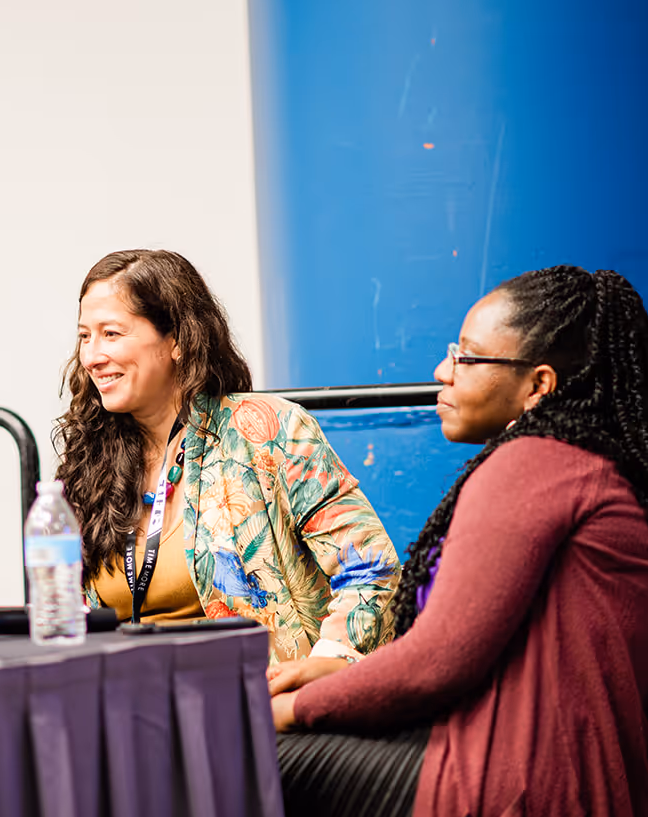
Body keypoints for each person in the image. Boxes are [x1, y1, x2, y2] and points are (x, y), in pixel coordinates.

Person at [267, 266, 648, 817]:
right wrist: (342, 675)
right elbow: (468, 648)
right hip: (552, 797)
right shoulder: (571, 464)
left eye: (466, 357)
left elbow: (440, 662)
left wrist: (298, 709)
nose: (443, 371)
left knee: (238, 770)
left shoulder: (535, 466)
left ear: (539, 386)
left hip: (516, 813)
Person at [56, 249, 402, 663]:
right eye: (84, 336)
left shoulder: (266, 429)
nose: (92, 357)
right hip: (129, 703)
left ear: (178, 341)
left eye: (111, 334)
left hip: (260, 705)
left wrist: (326, 664)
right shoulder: (89, 460)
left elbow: (371, 569)